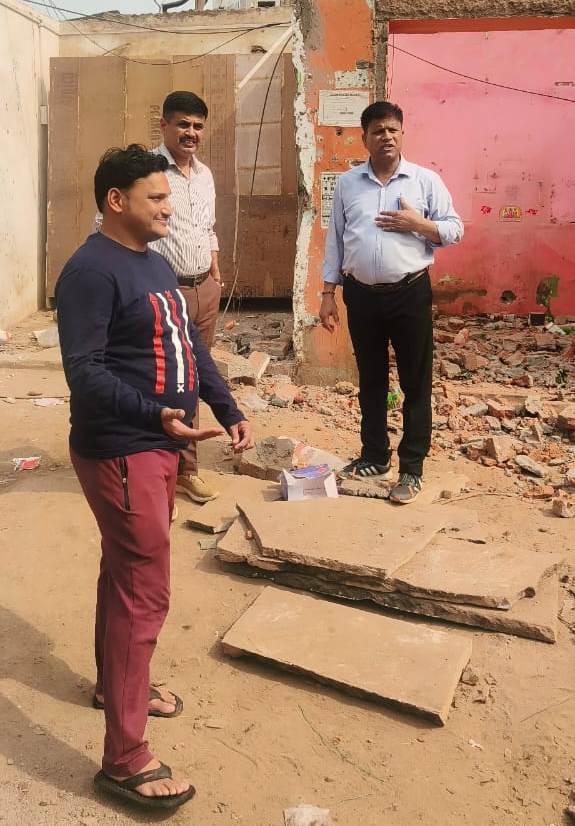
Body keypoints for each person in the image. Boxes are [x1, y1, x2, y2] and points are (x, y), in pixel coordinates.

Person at [56, 144, 253, 809]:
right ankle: (124, 759)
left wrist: (225, 406)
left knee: (126, 573)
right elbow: (84, 371)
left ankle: (115, 687)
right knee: (144, 590)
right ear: (117, 201)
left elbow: (187, 344)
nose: (172, 207)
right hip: (121, 449)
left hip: (157, 444)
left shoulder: (154, 261)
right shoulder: (90, 272)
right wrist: (155, 415)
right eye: (158, 198)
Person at [320, 101, 463, 504]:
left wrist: (421, 225)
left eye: (393, 130)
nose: (386, 136)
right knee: (371, 378)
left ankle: (411, 467)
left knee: (415, 381)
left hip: (409, 293)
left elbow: (455, 228)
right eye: (378, 131)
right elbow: (335, 240)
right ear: (364, 138)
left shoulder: (424, 181)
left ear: (402, 134)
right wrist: (328, 295)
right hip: (361, 295)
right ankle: (375, 454)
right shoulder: (348, 184)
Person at [94, 90, 222, 504]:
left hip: (203, 288)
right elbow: (107, 224)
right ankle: (153, 472)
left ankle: (186, 470)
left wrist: (214, 274)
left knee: (192, 379)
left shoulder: (204, 175)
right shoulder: (144, 172)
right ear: (164, 125)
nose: (191, 133)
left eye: (198, 126)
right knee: (157, 378)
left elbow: (207, 227)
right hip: (161, 292)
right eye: (182, 124)